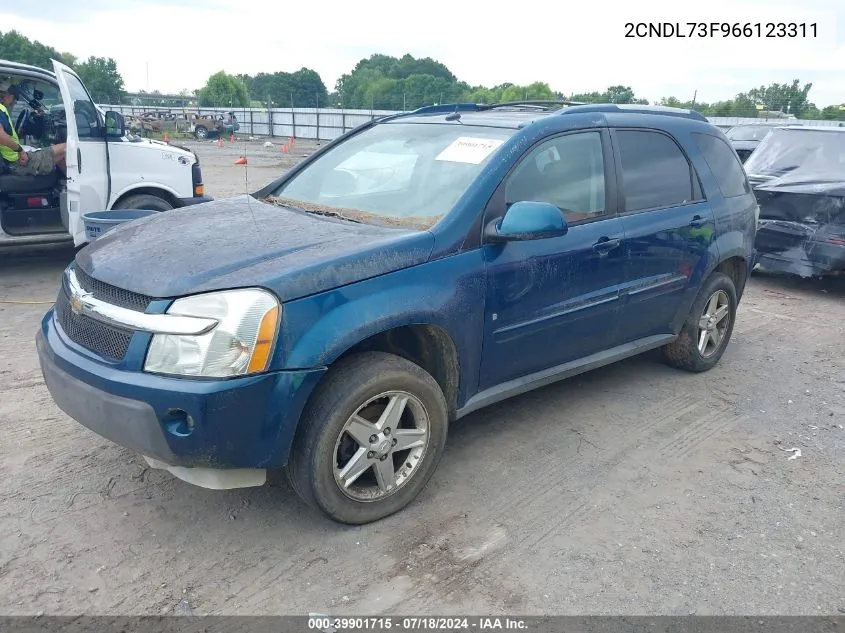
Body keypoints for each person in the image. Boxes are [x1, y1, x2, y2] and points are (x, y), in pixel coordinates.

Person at [0, 79, 67, 177]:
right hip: (15, 163)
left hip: (10, 159)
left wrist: (22, 132)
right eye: (15, 99)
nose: (14, 103)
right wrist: (20, 150)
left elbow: (8, 135)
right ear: (7, 96)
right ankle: (75, 184)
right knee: (67, 147)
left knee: (56, 153)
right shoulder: (1, 109)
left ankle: (66, 184)